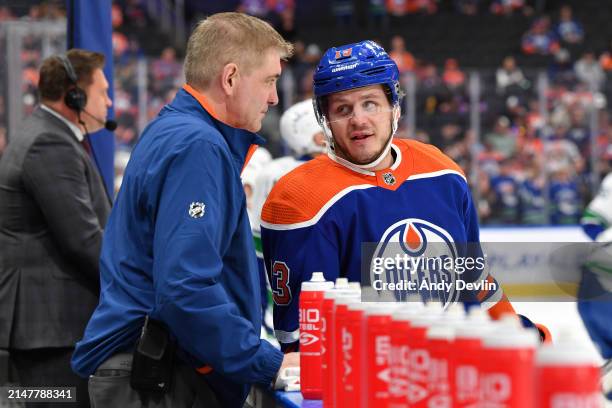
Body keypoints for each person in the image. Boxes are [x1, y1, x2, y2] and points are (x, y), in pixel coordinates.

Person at [260, 40, 550, 351]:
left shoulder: (442, 171)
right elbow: (307, 343)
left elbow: (472, 275)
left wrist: (515, 329)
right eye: (343, 109)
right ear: (325, 119)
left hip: (460, 370)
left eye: (370, 103)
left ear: (394, 107)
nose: (359, 119)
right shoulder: (298, 198)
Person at [71, 12, 296, 408]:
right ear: (230, 78)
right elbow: (184, 289)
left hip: (148, 365)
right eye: (269, 80)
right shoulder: (198, 147)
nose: (274, 97)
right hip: (155, 374)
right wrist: (266, 363)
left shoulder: (178, 131)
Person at [0, 49, 112, 407]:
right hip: (49, 330)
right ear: (74, 96)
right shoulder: (49, 143)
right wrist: (137, 288)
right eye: (103, 92)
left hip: (46, 327)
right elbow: (83, 240)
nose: (109, 102)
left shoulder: (46, 134)